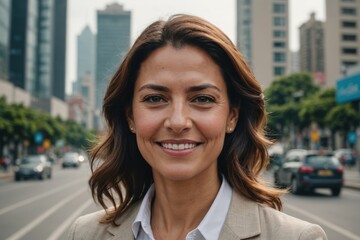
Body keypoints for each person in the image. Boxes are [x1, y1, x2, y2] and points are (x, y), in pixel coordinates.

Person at [68, 14, 327, 240]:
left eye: (202, 99)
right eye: (155, 99)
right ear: (130, 117)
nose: (178, 122)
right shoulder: (85, 234)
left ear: (232, 117)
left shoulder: (296, 237)